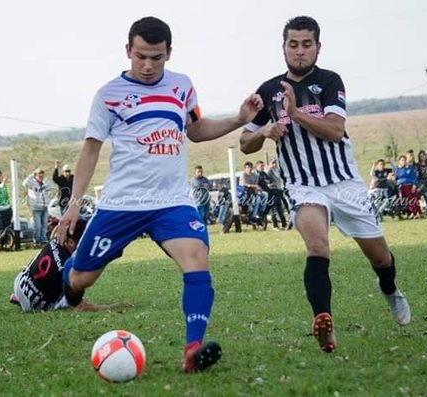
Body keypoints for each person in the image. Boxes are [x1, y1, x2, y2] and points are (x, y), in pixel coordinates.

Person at [56, 16, 262, 373]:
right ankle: (67, 289)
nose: (148, 65)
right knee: (82, 277)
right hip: (122, 204)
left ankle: (192, 351)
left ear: (169, 53)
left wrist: (238, 118)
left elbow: (195, 130)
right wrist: (73, 206)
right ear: (127, 51)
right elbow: (90, 151)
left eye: (157, 57)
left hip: (172, 202)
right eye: (141, 56)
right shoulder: (108, 96)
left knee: (196, 257)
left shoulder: (182, 86)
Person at [239, 16, 410, 353]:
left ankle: (389, 290)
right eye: (293, 44)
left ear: (318, 47)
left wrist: (295, 113)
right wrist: (264, 130)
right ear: (284, 47)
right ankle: (324, 322)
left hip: (343, 182)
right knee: (317, 246)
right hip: (303, 185)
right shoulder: (268, 90)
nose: (300, 51)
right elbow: (245, 142)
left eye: (307, 44)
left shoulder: (330, 81)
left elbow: (334, 131)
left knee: (380, 258)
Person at [10, 218, 130, 312]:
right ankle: (25, 300)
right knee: (70, 295)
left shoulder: (57, 240)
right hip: (34, 305)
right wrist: (110, 307)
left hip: (19, 283)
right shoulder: (67, 268)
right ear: (71, 242)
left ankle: (19, 297)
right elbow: (79, 306)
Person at [23, 168, 52, 245]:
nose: (41, 178)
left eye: (42, 176)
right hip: (36, 208)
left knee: (44, 225)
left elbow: (50, 187)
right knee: (38, 225)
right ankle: (37, 240)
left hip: (45, 206)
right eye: (39, 176)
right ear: (35, 176)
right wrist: (32, 175)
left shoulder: (45, 183)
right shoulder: (32, 183)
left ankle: (43, 239)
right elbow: (25, 183)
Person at [266, 159, 288, 229]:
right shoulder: (269, 172)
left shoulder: (278, 171)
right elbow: (267, 182)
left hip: (280, 190)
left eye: (275, 163)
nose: (274, 164)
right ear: (270, 164)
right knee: (274, 208)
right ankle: (275, 224)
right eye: (273, 163)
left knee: (281, 207)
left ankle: (284, 223)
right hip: (273, 191)